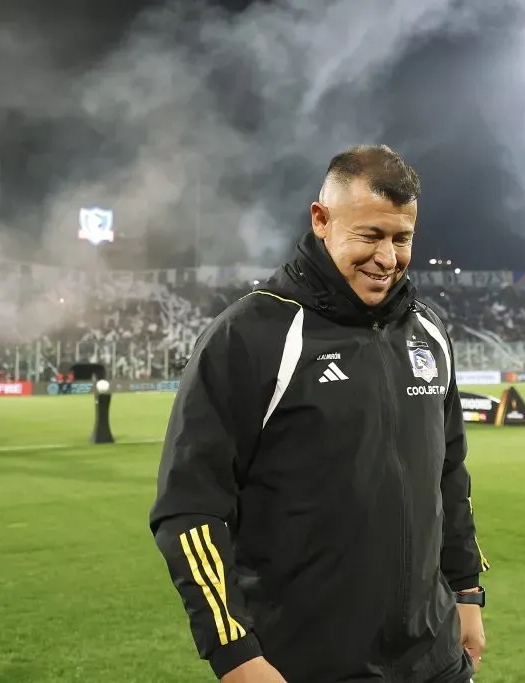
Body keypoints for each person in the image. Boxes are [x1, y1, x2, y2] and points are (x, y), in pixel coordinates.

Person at [150, 144, 490, 683]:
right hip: (305, 666)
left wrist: (467, 591)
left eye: (402, 238)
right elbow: (188, 508)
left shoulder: (428, 333)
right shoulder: (251, 336)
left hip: (436, 660)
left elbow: (448, 475)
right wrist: (233, 652)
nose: (387, 258)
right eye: (370, 235)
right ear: (321, 220)